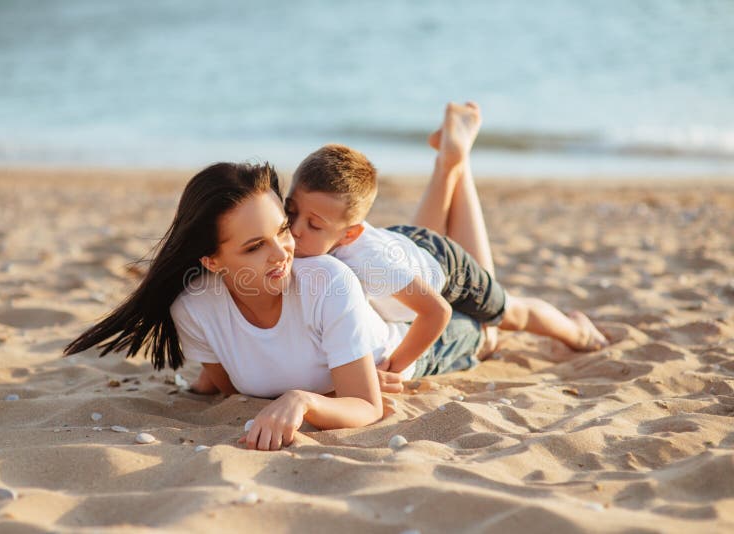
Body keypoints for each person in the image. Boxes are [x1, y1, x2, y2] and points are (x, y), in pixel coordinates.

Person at [64, 162, 412, 452]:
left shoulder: (329, 283)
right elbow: (233, 389)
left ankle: (450, 162)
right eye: (254, 247)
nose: (280, 254)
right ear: (212, 261)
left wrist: (305, 400)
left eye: (282, 230)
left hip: (408, 335)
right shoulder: (194, 310)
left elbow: (368, 406)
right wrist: (328, 388)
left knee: (453, 272)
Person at [283, 101, 609, 380]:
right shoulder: (331, 232)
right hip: (401, 248)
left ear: (348, 233)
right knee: (408, 264)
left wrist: (395, 366)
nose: (295, 229)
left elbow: (437, 313)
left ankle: (576, 331)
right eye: (290, 210)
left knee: (511, 313)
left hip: (445, 269)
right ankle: (450, 159)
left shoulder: (369, 264)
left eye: (313, 225)